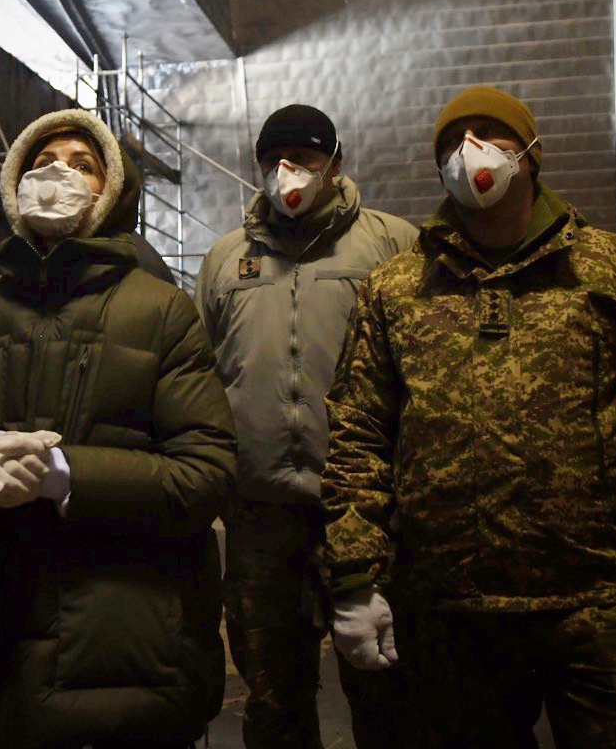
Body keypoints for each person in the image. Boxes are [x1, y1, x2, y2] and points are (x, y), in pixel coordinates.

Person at [323, 86, 616, 748]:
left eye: (490, 133)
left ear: (532, 154)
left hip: (595, 600)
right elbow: (360, 436)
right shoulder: (397, 288)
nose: (470, 151)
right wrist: (353, 575)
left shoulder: (614, 273)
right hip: (450, 608)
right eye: (453, 141)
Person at [0, 107, 236, 749]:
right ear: (14, 185)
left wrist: (64, 475)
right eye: (42, 163)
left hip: (128, 650)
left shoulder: (161, 311)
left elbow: (205, 473)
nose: (59, 175)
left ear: (111, 194)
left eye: (83, 165)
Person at [197, 105, 418, 749]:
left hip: (370, 512)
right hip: (262, 516)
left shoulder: (393, 244)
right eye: (274, 160)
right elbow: (205, 373)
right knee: (273, 698)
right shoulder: (225, 261)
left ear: (337, 163)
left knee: (385, 690)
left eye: (306, 157)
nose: (289, 172)